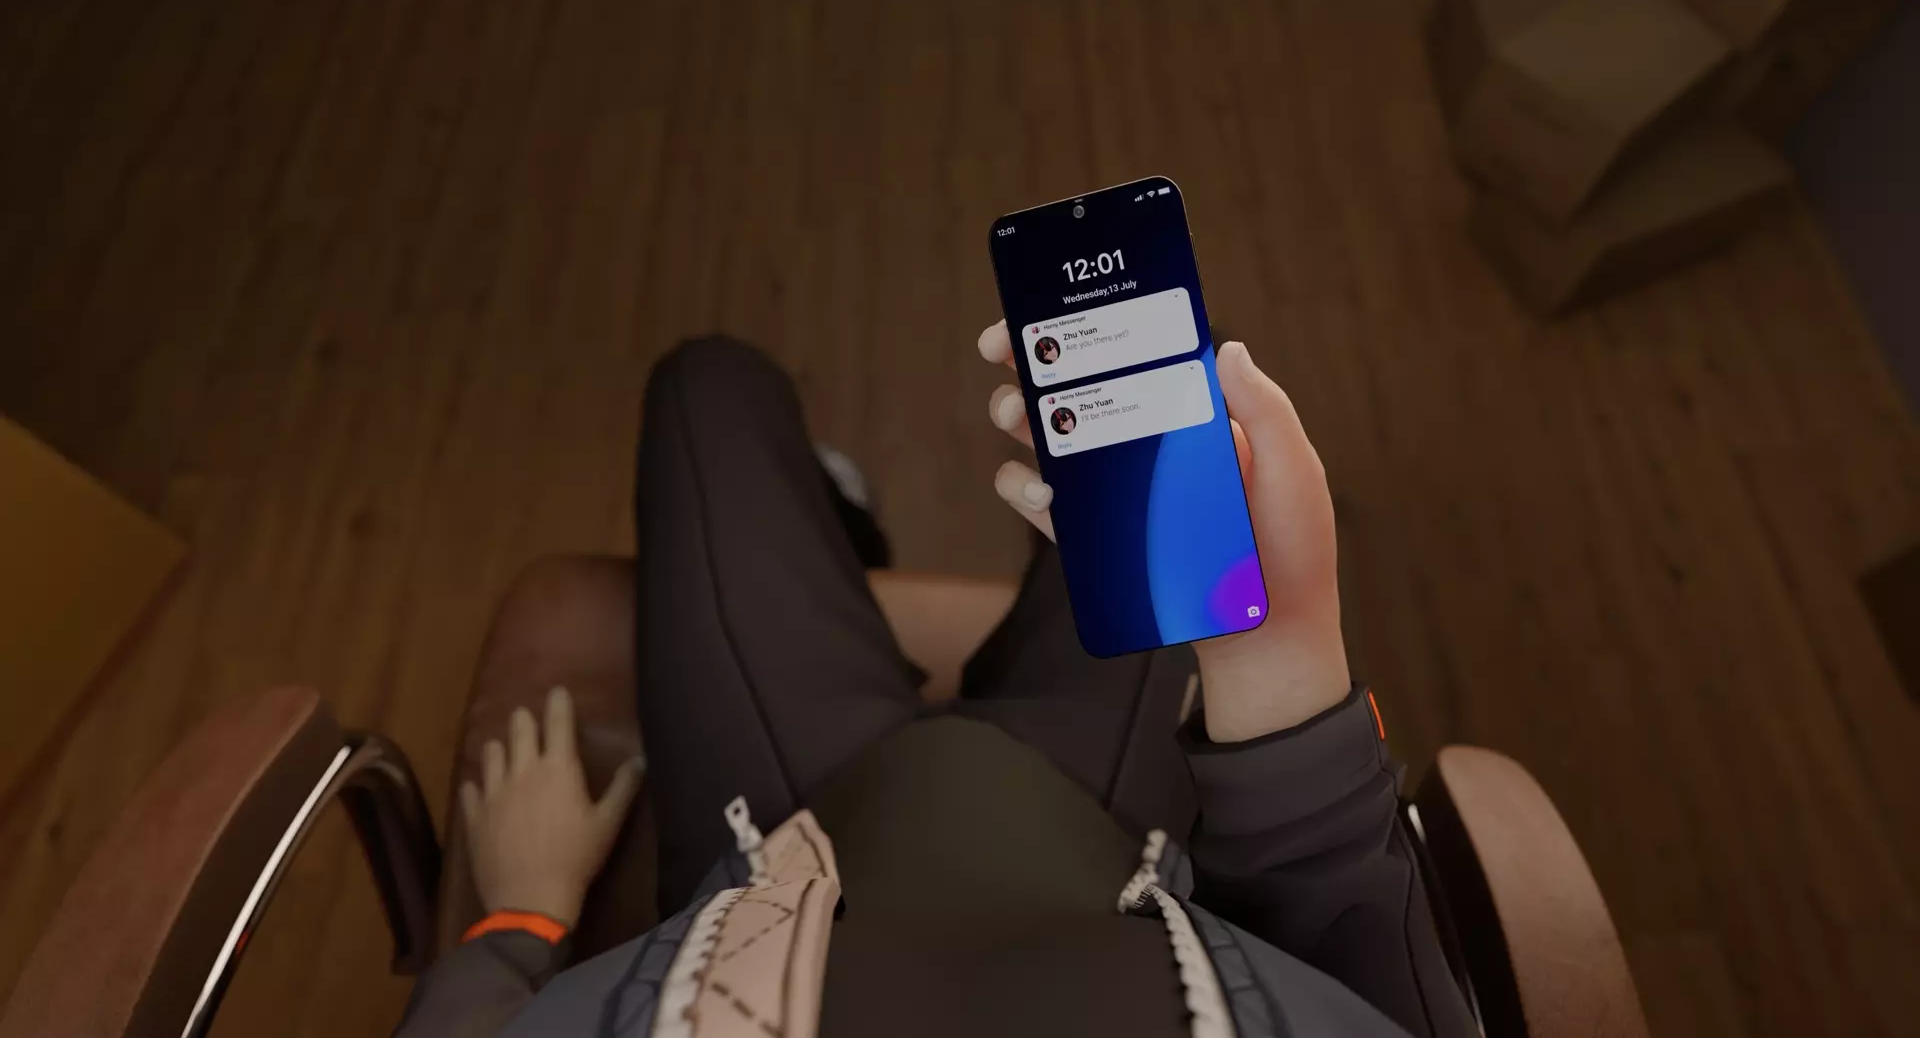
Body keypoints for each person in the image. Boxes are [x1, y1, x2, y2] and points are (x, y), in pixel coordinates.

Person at [394, 332, 1476, 1038]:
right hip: (1119, 828)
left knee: (707, 389)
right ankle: (859, 546)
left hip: (779, 822)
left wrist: (517, 925)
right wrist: (1278, 666)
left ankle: (838, 533)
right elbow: (1378, 1003)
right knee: (1168, 411)